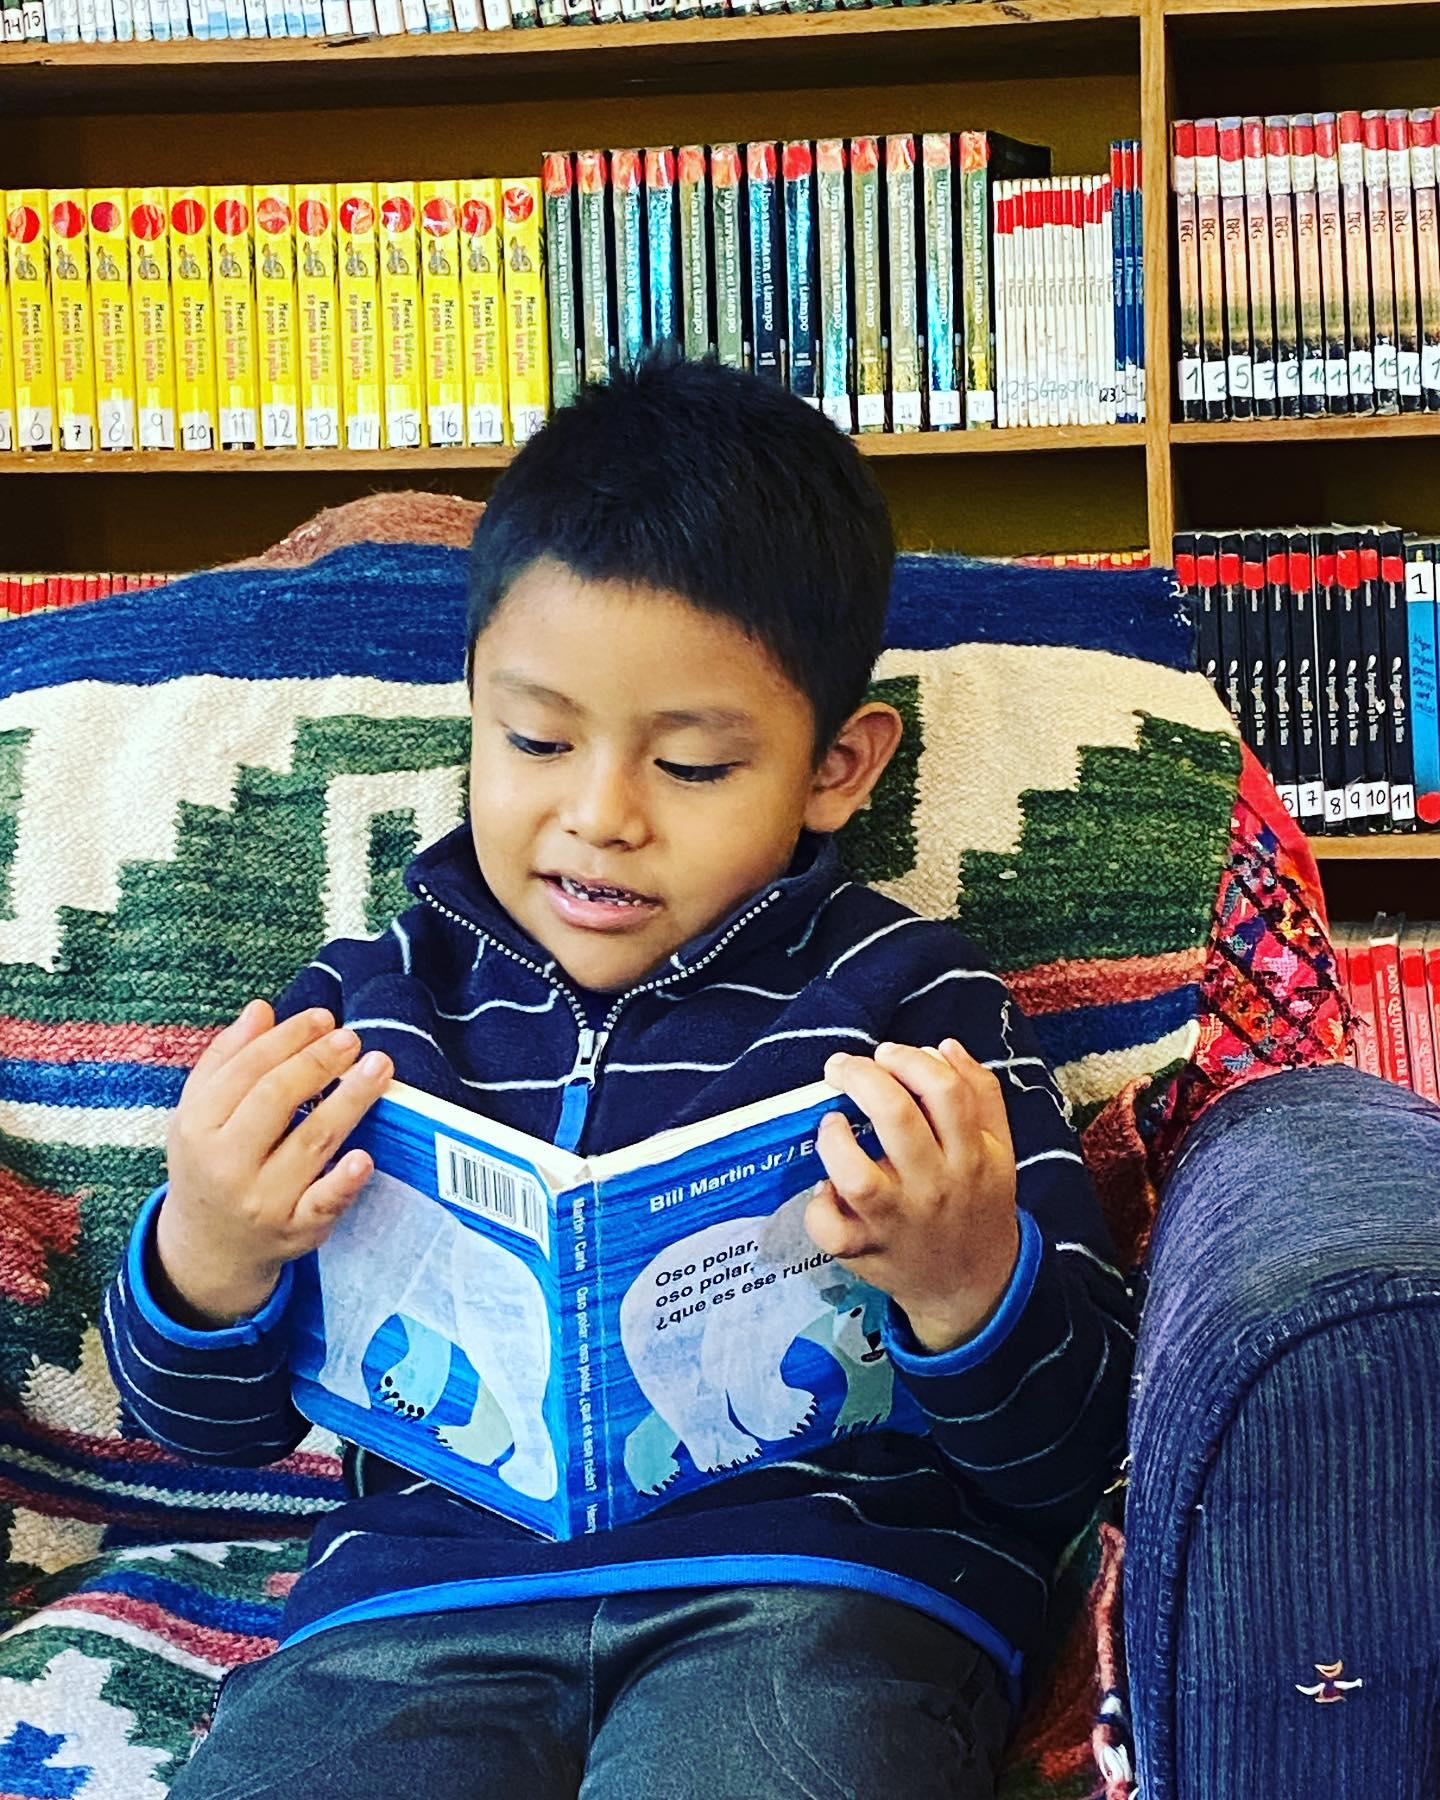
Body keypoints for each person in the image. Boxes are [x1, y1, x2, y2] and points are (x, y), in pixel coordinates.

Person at [102, 355, 1135, 1800]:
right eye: (533, 740)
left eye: (697, 766)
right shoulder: (360, 1011)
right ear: (471, 708)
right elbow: (206, 1429)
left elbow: (1068, 1454)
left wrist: (967, 1283)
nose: (600, 818)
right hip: (411, 1611)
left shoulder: (914, 1006)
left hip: (815, 1591)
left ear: (836, 767)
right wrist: (204, 1255)